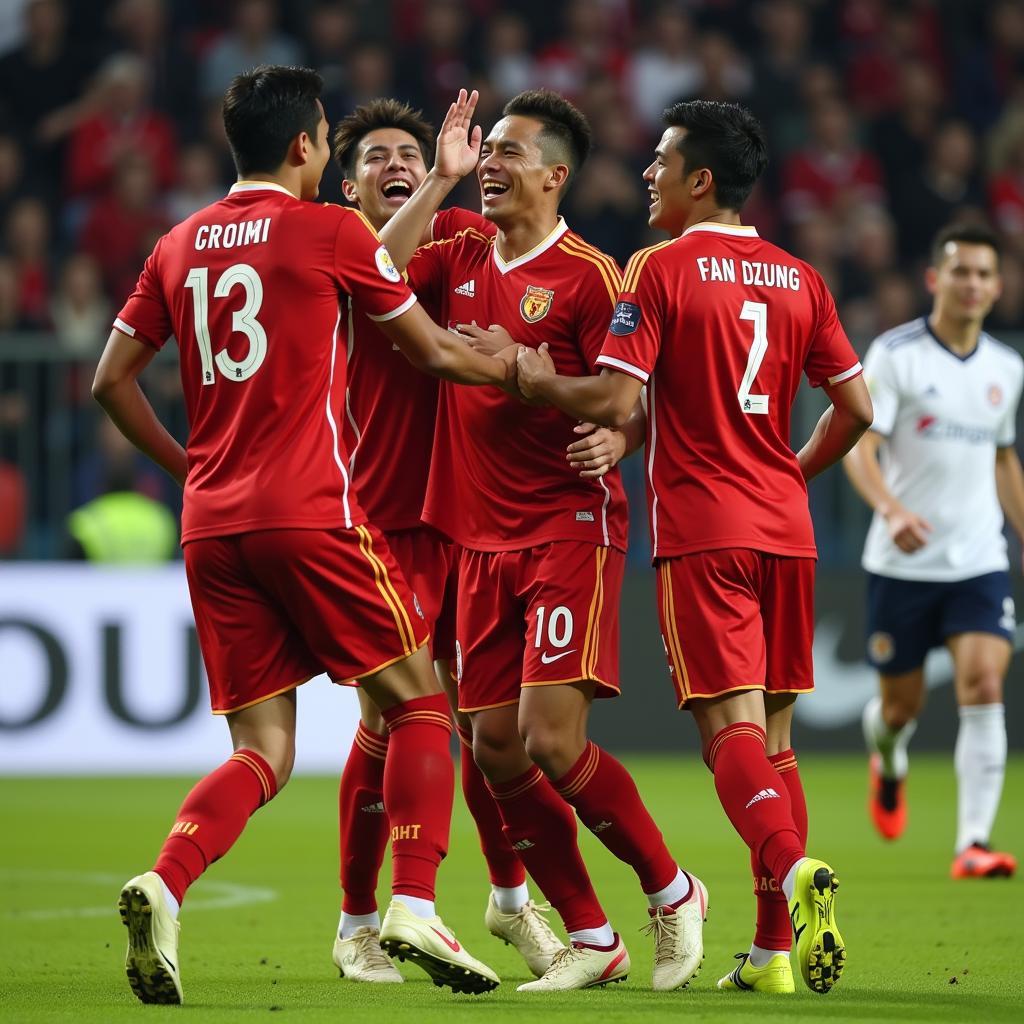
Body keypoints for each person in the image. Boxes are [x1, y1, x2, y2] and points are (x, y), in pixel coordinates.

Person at [93, 66, 518, 1005]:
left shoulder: (177, 243)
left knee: (263, 752)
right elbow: (437, 351)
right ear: (303, 147)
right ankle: (412, 904)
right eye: (328, 140)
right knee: (417, 705)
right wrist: (514, 370)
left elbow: (108, 383)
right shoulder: (329, 231)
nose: (327, 156)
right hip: (312, 512)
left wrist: (190, 471)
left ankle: (164, 883)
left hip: (212, 529)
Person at [515, 99, 874, 996]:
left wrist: (527, 375)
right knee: (776, 739)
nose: (648, 174)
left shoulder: (659, 268)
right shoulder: (800, 276)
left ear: (700, 179)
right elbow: (859, 410)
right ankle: (770, 955)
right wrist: (791, 468)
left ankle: (794, 872)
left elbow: (614, 394)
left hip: (705, 531)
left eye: (662, 161)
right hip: (789, 532)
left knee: (729, 735)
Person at [381, 88, 707, 993]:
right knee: (492, 750)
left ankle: (673, 890)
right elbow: (373, 272)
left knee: (551, 739)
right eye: (487, 149)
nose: (491, 162)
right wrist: (437, 180)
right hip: (475, 538)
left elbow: (620, 398)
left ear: (557, 175)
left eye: (510, 153)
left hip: (569, 526)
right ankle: (594, 937)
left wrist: (537, 380)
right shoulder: (455, 252)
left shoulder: (593, 276)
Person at [328, 96, 562, 982]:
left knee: (482, 727)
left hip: (474, 519)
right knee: (390, 719)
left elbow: (532, 287)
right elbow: (377, 273)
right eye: (377, 158)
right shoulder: (336, 243)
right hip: (380, 521)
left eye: (409, 151)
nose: (396, 162)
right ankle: (358, 922)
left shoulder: (463, 232)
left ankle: (509, 904)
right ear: (347, 184)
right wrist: (434, 177)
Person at [843, 222, 1022, 879]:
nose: (972, 283)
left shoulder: (1008, 370)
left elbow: (1003, 459)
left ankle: (972, 841)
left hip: (978, 561)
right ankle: (888, 759)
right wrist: (892, 510)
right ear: (934, 279)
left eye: (983, 274)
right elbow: (859, 448)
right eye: (961, 271)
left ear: (998, 287)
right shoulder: (896, 356)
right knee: (899, 710)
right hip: (900, 562)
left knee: (984, 684)